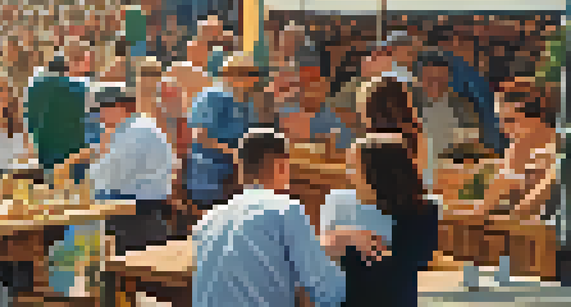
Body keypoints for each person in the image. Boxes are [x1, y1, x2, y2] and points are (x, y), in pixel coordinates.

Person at [192, 129, 387, 307]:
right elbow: (329, 292)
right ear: (281, 166)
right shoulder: (286, 209)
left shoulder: (208, 219)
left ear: (241, 169)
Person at [319, 135, 439, 307]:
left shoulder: (421, 211)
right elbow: (317, 259)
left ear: (376, 173)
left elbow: (406, 265)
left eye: (353, 168)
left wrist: (347, 244)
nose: (347, 174)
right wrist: (346, 237)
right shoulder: (338, 202)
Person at [73, 83, 176, 252]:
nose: (99, 116)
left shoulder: (135, 132)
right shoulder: (134, 128)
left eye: (101, 109)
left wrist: (81, 179)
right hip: (139, 211)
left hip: (137, 217)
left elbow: (111, 174)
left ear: (118, 107)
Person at [468, 77, 559, 221]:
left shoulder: (552, 153)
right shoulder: (518, 148)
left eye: (511, 120)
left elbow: (519, 209)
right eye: (501, 121)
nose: (504, 129)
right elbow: (489, 204)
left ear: (538, 118)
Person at [184, 52, 260, 210]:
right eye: (248, 74)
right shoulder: (212, 96)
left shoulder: (246, 102)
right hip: (210, 173)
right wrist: (234, 152)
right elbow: (200, 136)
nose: (254, 79)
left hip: (235, 173)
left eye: (254, 74)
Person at [414, 50, 482, 188]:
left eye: (441, 79)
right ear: (419, 78)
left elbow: (472, 145)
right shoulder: (406, 102)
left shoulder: (462, 105)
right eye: (430, 79)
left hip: (450, 176)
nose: (436, 84)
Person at [26, 50, 89, 181]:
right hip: (71, 153)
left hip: (43, 151)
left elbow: (29, 119)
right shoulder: (78, 87)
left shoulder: (34, 87)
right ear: (66, 70)